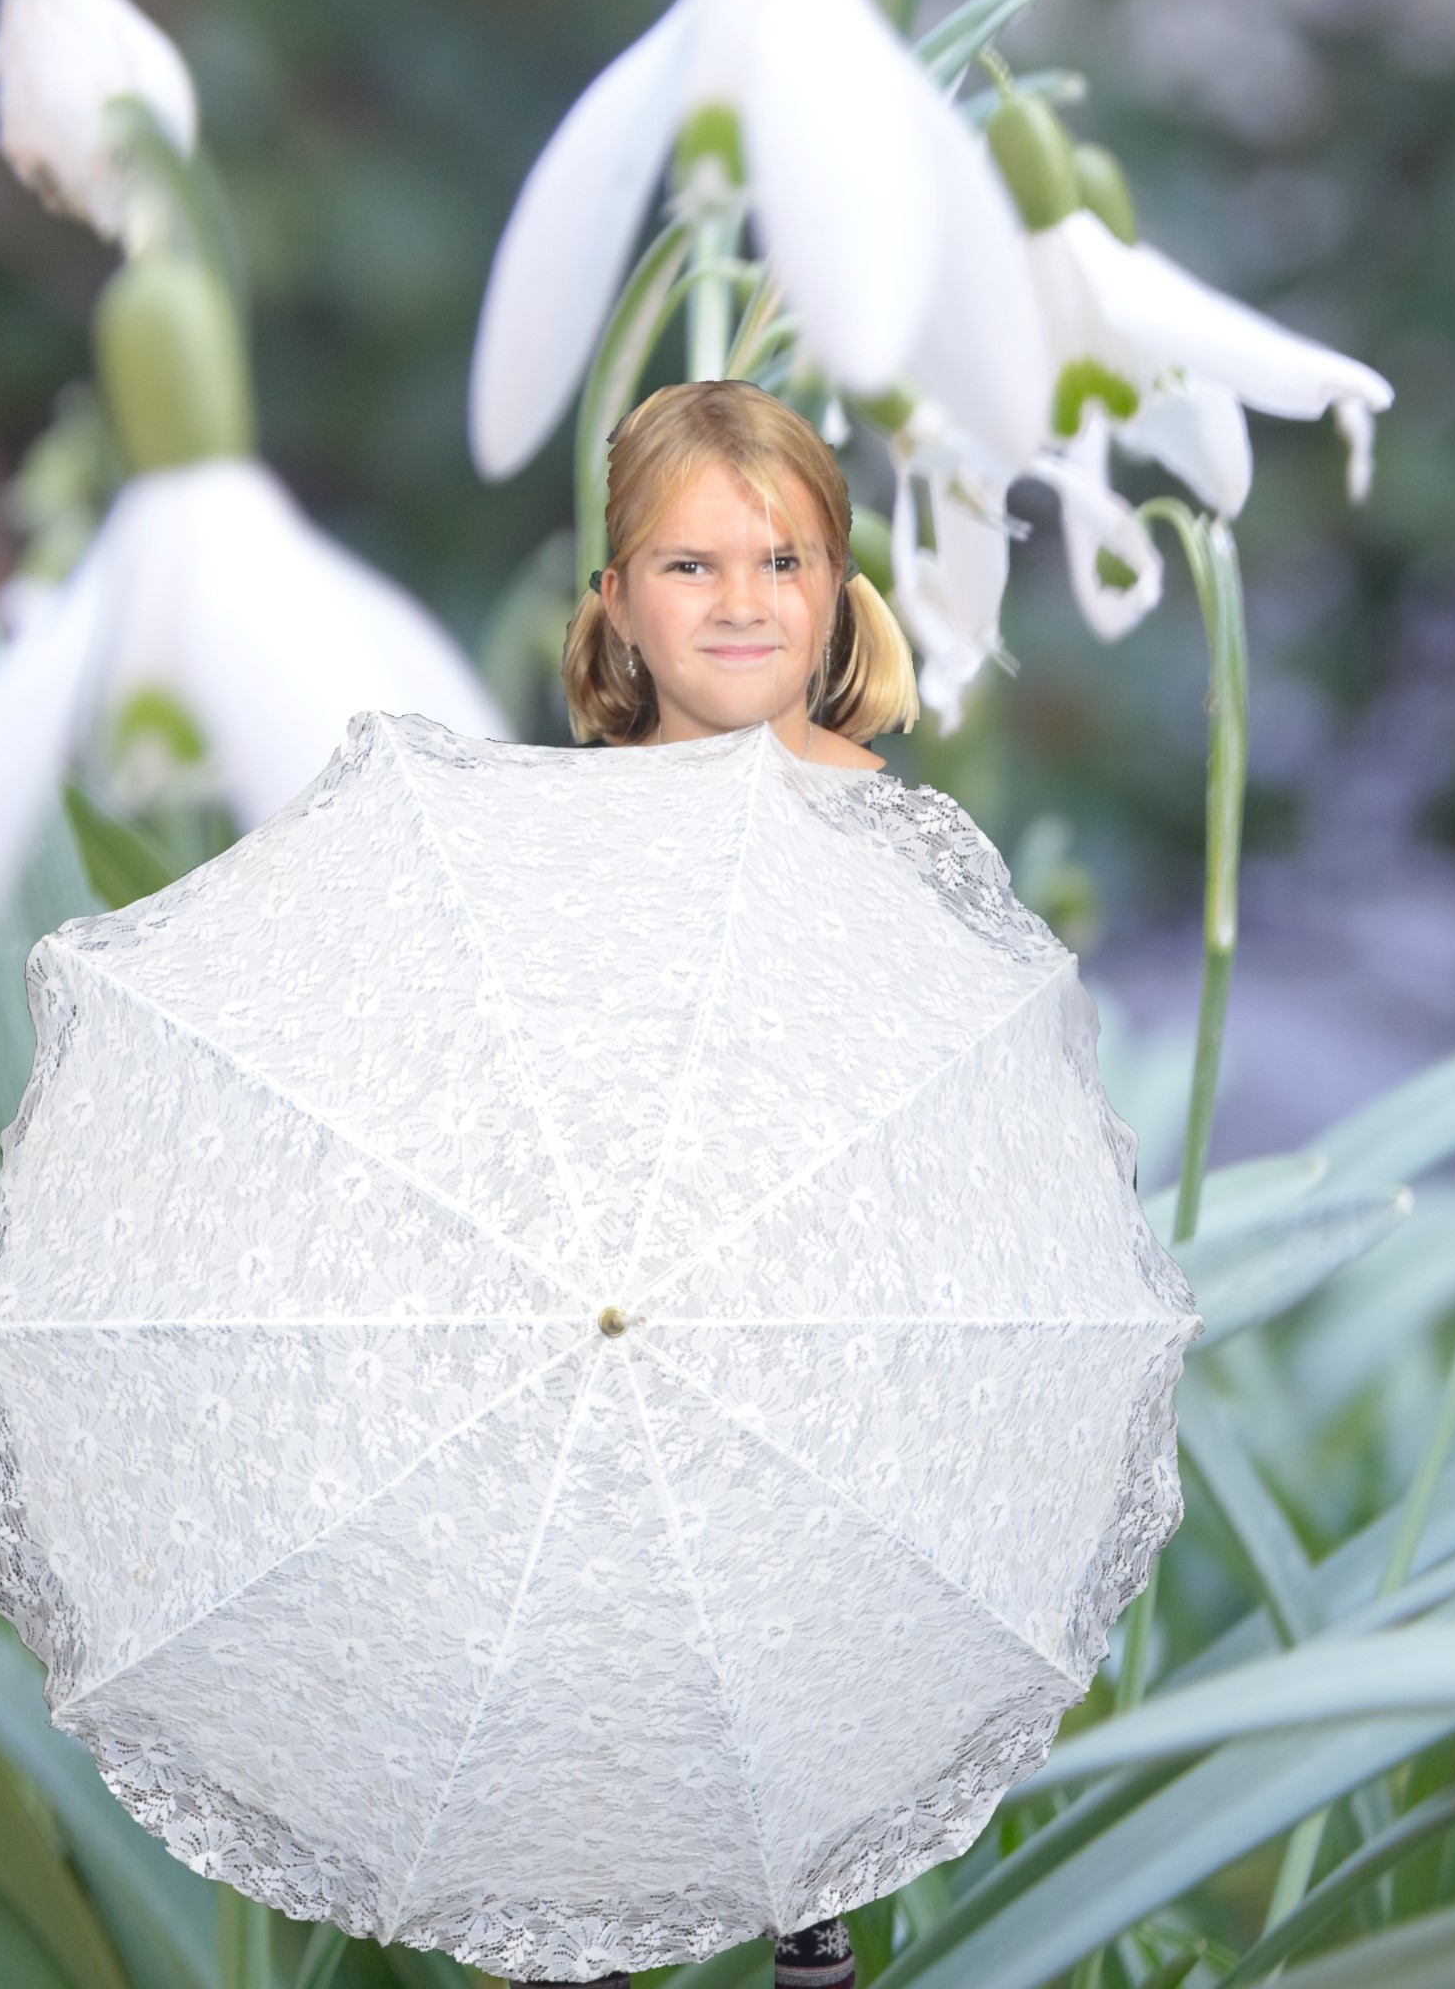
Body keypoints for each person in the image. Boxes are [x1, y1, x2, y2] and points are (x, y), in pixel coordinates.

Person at [543, 379, 927, 1989]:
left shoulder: (878, 827)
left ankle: (809, 1939)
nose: (743, 603)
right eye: (691, 567)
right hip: (608, 1300)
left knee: (797, 1734)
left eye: (781, 561)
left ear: (839, 588)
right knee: (595, 1718)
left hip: (814, 1320)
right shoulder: (563, 827)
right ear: (619, 603)